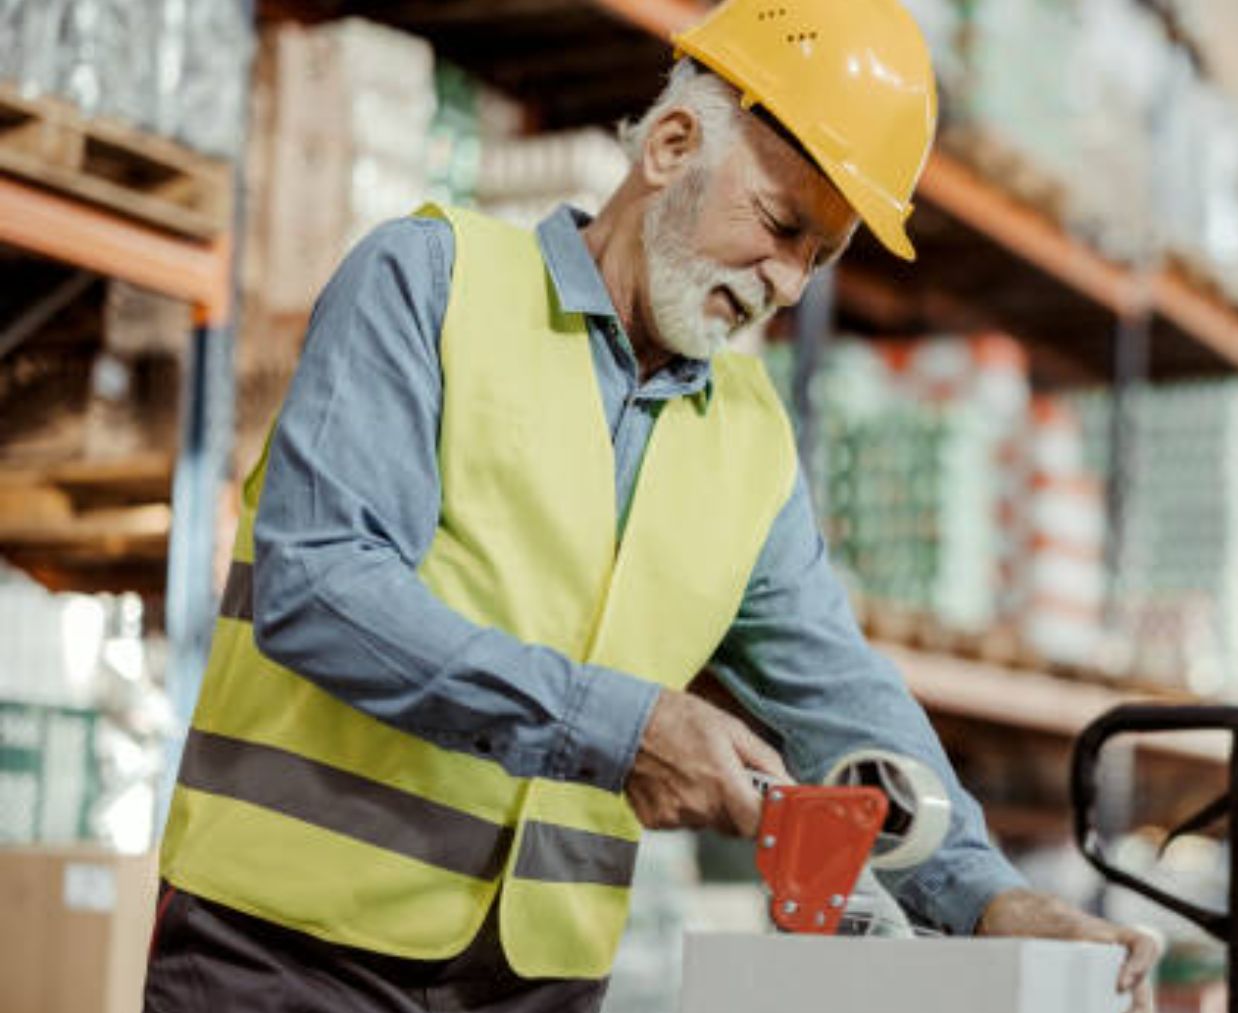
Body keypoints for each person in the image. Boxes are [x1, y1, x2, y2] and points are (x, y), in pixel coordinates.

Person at [141, 0, 1158, 1009]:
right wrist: (617, 728)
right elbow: (319, 585)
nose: (789, 284)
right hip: (286, 957)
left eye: (821, 256)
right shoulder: (430, 282)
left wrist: (986, 898)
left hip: (531, 986)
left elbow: (838, 696)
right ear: (673, 144)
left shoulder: (751, 438)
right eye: (779, 224)